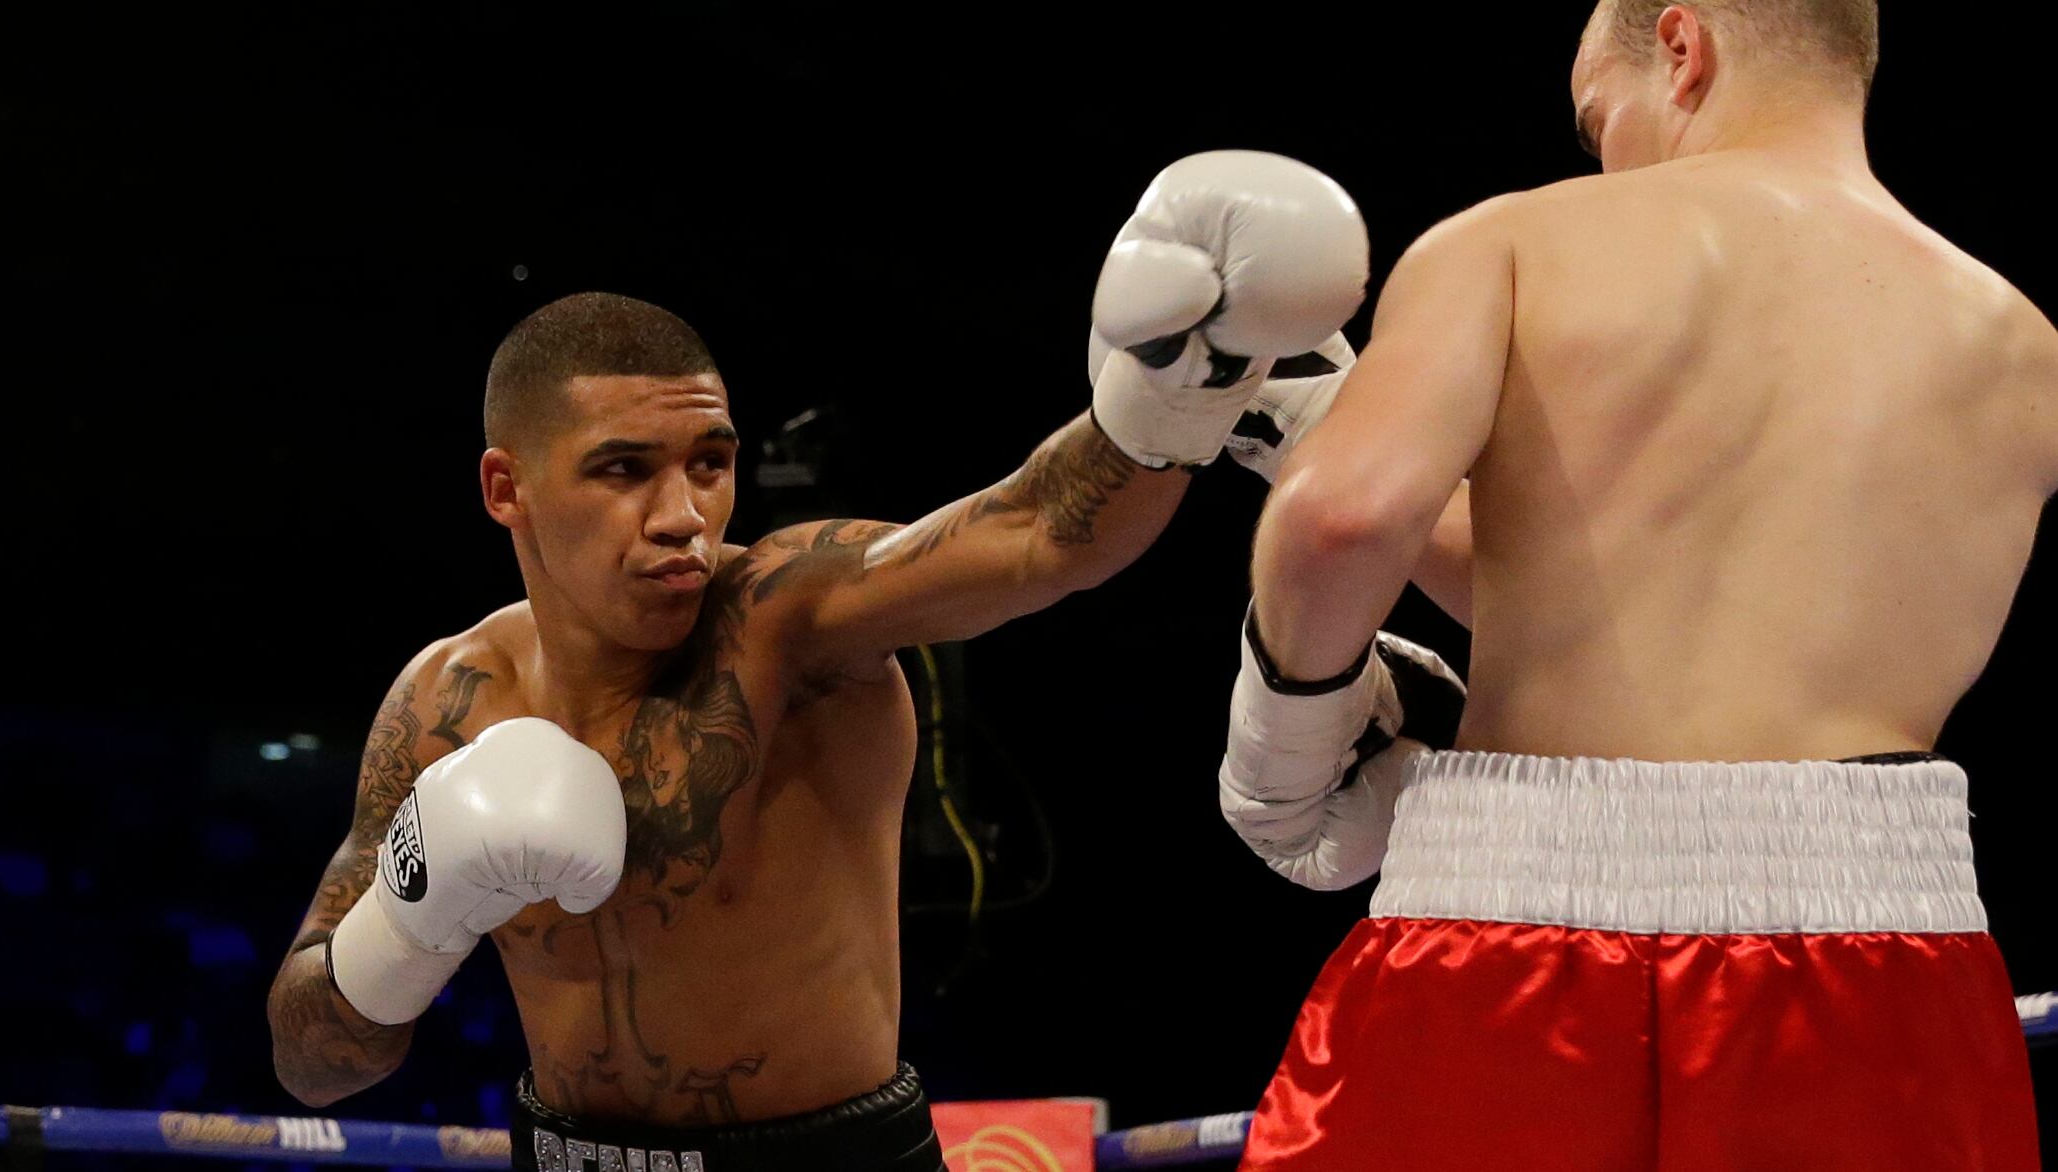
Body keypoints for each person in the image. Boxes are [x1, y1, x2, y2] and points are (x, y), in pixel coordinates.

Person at [265, 152, 1371, 1172]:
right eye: (623, 469)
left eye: (710, 463)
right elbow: (313, 1062)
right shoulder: (448, 700)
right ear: (507, 488)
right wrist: (406, 919)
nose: (681, 515)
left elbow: (1036, 532)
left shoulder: (782, 620)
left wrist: (1177, 386)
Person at [1216, 3, 2054, 1168]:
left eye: (1596, 120)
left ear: (1681, 48)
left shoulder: (1515, 242)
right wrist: (1318, 421)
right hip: (1888, 958)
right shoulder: (2023, 344)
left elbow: (1342, 519)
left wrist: (1282, 752)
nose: (1600, 159)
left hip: (1510, 927)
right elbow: (1645, 599)